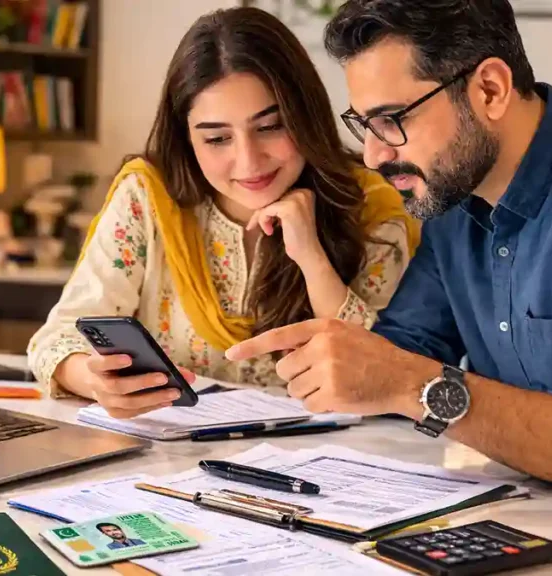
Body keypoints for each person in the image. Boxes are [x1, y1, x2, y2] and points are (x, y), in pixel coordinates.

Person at [226, 0, 552, 504]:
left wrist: (411, 385)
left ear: (490, 89)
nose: (375, 155)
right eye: (365, 126)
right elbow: (399, 359)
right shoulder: (451, 202)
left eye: (391, 120)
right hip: (540, 520)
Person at [27, 7, 420, 418]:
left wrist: (311, 258)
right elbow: (56, 340)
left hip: (335, 465)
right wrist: (94, 380)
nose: (249, 162)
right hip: (173, 463)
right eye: (217, 138)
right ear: (187, 138)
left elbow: (386, 372)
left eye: (270, 127)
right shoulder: (148, 197)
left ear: (306, 115)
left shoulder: (372, 205)